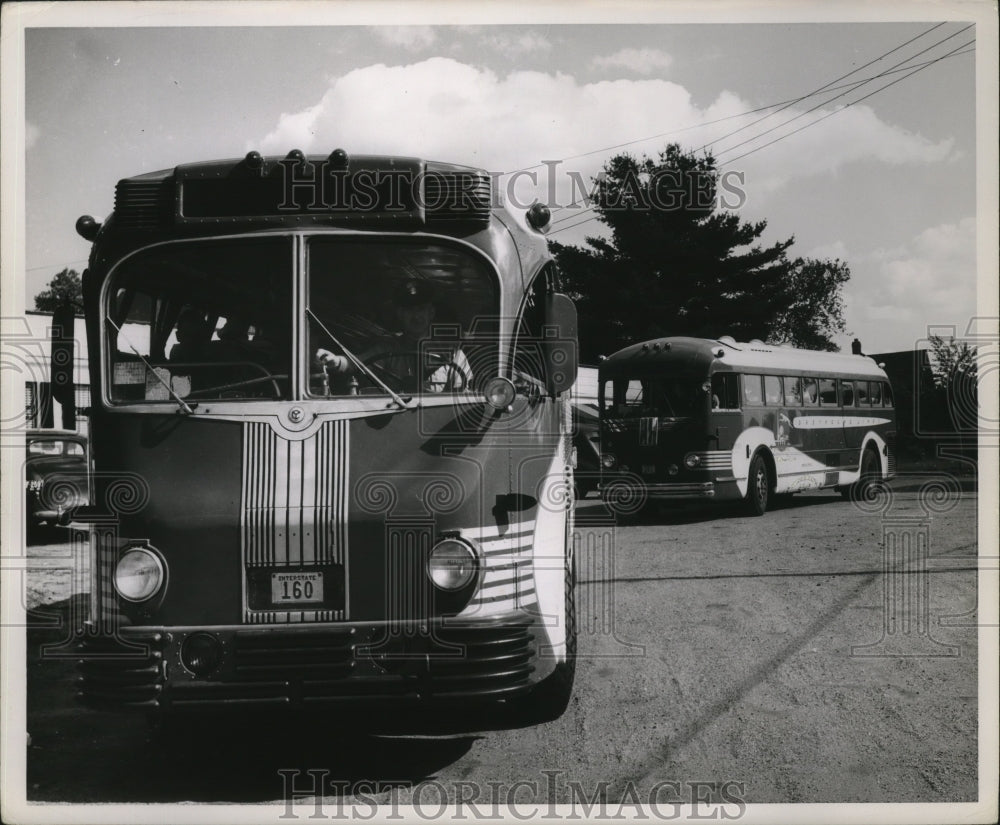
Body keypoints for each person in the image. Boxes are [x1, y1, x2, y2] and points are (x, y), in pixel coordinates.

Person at [316, 279, 471, 394]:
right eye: (409, 310)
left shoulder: (452, 353)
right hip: (394, 426)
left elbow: (463, 397)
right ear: (400, 314)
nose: (416, 317)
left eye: (421, 309)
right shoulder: (387, 348)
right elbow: (357, 363)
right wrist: (336, 362)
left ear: (431, 313)